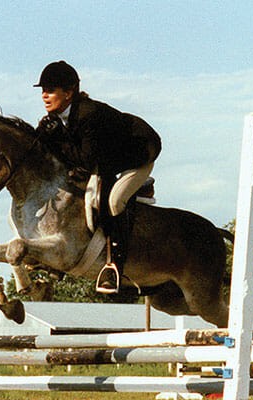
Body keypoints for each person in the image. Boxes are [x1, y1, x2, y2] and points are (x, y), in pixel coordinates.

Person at [34, 61, 161, 293]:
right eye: (42, 90)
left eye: (50, 90)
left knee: (114, 201)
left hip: (139, 153)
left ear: (69, 92)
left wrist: (57, 140)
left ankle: (114, 266)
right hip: (107, 159)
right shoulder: (59, 118)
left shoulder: (87, 114)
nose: (44, 95)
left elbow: (86, 161)